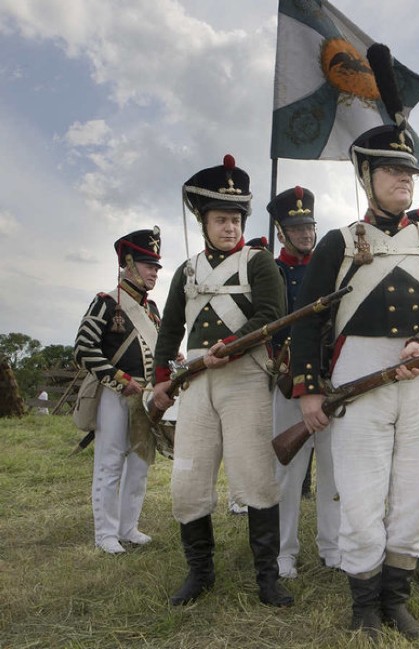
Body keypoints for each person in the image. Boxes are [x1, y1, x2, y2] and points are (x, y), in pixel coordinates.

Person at [288, 123, 419, 639]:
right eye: (391, 169)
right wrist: (309, 388)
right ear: (366, 176)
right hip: (357, 372)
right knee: (362, 493)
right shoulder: (338, 242)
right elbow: (307, 320)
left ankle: (397, 596)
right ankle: (364, 601)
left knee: (415, 490)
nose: (404, 178)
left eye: (409, 170)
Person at [150, 154, 291, 608]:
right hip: (194, 381)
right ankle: (200, 573)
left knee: (255, 479)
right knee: (187, 483)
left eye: (235, 219)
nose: (230, 227)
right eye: (220, 219)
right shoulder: (187, 271)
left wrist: (230, 345)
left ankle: (267, 578)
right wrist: (160, 381)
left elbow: (273, 316)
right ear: (204, 220)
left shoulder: (258, 263)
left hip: (244, 375)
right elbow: (170, 329)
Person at [73, 228, 162, 554]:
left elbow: (157, 349)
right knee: (110, 463)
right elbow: (83, 349)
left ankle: (128, 527)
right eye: (147, 264)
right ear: (127, 263)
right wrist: (120, 378)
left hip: (146, 395)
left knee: (139, 464)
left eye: (156, 266)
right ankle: (106, 534)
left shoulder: (152, 311)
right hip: (115, 392)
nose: (154, 271)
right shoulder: (106, 303)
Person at [267, 185, 340, 579]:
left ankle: (332, 546)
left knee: (332, 468)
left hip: (329, 380)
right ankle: (284, 551)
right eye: (296, 229)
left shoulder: (329, 268)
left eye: (309, 226)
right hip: (287, 380)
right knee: (288, 471)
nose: (306, 234)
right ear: (281, 232)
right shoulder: (271, 271)